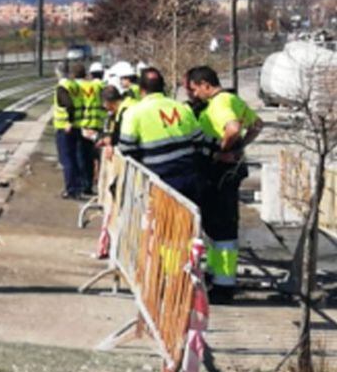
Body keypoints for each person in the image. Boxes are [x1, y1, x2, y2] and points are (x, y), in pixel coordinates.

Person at [185, 65, 264, 303]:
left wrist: (223, 150)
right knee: (218, 228)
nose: (193, 95)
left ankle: (223, 284)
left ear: (205, 85)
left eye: (194, 89)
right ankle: (217, 275)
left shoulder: (219, 104)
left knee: (221, 229)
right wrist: (240, 148)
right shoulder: (233, 99)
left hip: (219, 172)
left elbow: (233, 128)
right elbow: (257, 124)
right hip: (232, 171)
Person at [117, 67, 203, 203]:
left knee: (163, 224)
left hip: (158, 183)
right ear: (163, 87)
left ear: (141, 90)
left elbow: (126, 150)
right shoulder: (183, 108)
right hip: (189, 177)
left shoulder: (133, 113)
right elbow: (199, 140)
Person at [52, 61, 83, 199]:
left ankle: (71, 189)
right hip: (76, 126)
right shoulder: (74, 85)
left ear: (58, 72)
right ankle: (78, 186)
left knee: (66, 159)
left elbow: (69, 105)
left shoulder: (62, 87)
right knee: (74, 157)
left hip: (65, 128)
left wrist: (68, 121)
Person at [75, 62, 105, 195]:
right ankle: (94, 182)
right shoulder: (99, 86)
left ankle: (83, 184)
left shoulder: (78, 87)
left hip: (82, 125)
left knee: (82, 157)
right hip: (98, 126)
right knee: (95, 157)